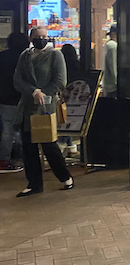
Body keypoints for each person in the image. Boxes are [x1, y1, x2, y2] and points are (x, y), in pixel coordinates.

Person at [13, 27, 74, 197]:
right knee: (28, 147)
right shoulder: (24, 56)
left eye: (44, 37)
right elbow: (17, 80)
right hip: (27, 106)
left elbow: (60, 80)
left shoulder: (55, 55)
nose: (41, 39)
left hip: (45, 107)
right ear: (31, 38)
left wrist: (44, 93)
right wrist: (33, 91)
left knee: (49, 145)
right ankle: (34, 183)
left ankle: (65, 177)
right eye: (38, 37)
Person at [0, 32, 30, 172]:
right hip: (23, 97)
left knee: (7, 129)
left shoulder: (2, 56)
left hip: (5, 98)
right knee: (25, 128)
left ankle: (4, 160)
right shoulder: (26, 57)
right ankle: (24, 156)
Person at [58, 43, 81, 157]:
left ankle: (63, 145)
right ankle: (70, 147)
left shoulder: (61, 66)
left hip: (65, 96)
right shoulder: (78, 65)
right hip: (78, 99)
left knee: (64, 121)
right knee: (71, 121)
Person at [102, 25, 118, 98]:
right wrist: (116, 81)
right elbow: (113, 66)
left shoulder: (108, 44)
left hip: (108, 84)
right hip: (113, 86)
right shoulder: (113, 46)